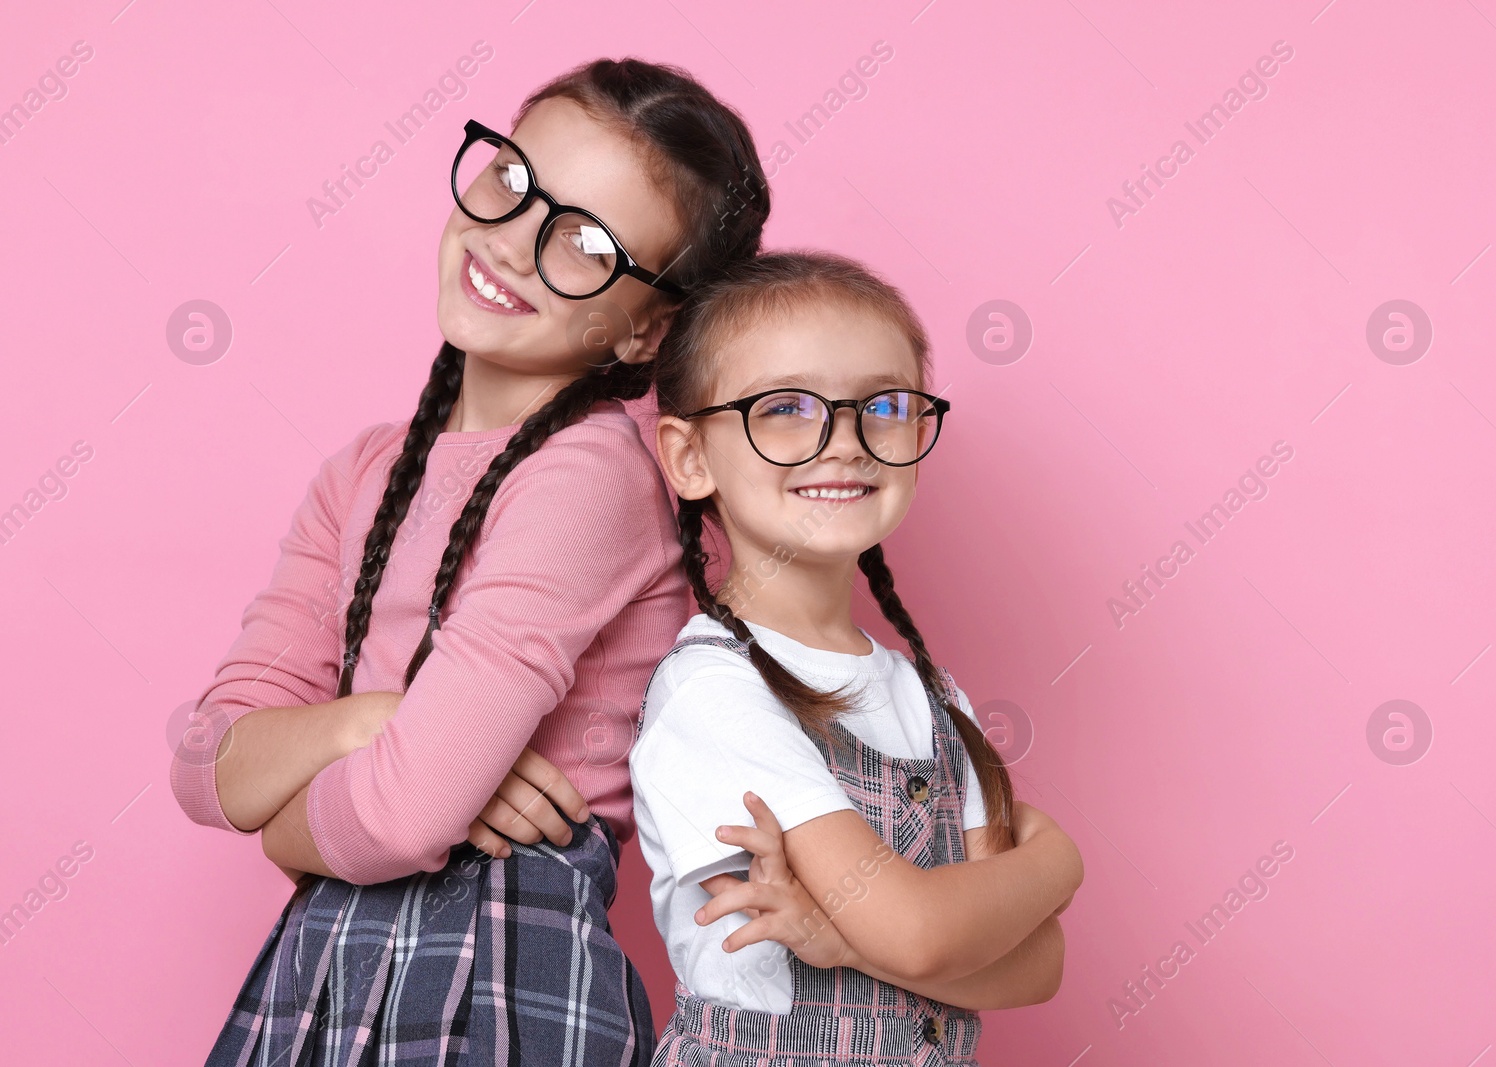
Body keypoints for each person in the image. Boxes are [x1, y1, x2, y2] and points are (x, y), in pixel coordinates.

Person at [168, 57, 770, 1066]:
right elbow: (202, 762)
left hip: (494, 967)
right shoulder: (365, 470)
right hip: (318, 963)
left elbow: (402, 815)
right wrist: (375, 720)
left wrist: (284, 827)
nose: (515, 242)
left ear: (646, 327)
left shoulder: (593, 474)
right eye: (512, 180)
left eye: (585, 242)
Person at [631, 250, 1084, 1065]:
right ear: (690, 456)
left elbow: (1036, 965)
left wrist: (844, 943)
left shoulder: (933, 697)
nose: (844, 441)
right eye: (787, 407)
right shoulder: (713, 690)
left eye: (885, 403)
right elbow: (921, 930)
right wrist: (1059, 858)